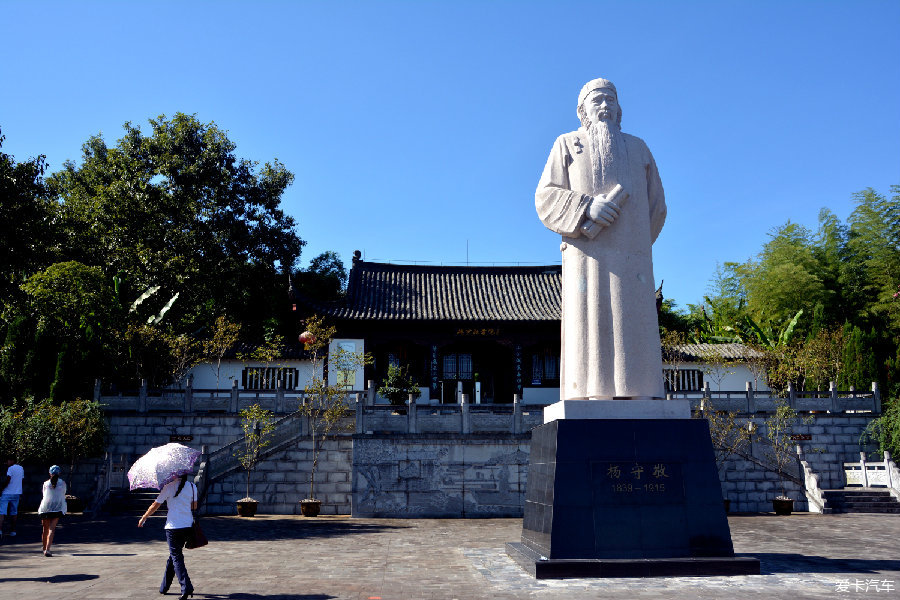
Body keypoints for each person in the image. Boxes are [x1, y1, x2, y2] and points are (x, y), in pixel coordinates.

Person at [535, 77, 667, 400]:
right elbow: (544, 197)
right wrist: (586, 208)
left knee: (633, 334)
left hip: (632, 266)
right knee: (589, 334)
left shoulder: (639, 149)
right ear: (583, 111)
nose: (605, 106)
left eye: (611, 100)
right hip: (588, 260)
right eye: (597, 100)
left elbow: (657, 207)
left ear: (619, 110)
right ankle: (588, 393)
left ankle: (643, 392)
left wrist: (633, 243)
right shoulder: (566, 144)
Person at [138, 474, 197, 600]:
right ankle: (164, 587)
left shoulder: (169, 487)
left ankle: (186, 587)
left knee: (176, 557)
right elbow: (194, 506)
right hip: (187, 526)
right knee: (174, 556)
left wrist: (144, 517)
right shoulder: (192, 486)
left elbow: (156, 504)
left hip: (173, 527)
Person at [37, 465, 67, 556]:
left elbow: (44, 494)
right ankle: (48, 549)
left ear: (50, 473)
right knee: (52, 529)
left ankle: (43, 548)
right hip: (57, 508)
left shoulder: (46, 483)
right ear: (59, 473)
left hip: (45, 507)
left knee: (44, 529)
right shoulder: (62, 483)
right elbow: (64, 493)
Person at [0, 455, 25, 539]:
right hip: (17, 493)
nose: (6, 463)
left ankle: (0, 530)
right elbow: (21, 480)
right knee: (14, 512)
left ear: (11, 461)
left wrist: (2, 488)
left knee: (2, 512)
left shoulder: (10, 469)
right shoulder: (21, 468)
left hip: (7, 493)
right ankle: (13, 531)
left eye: (7, 461)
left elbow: (8, 480)